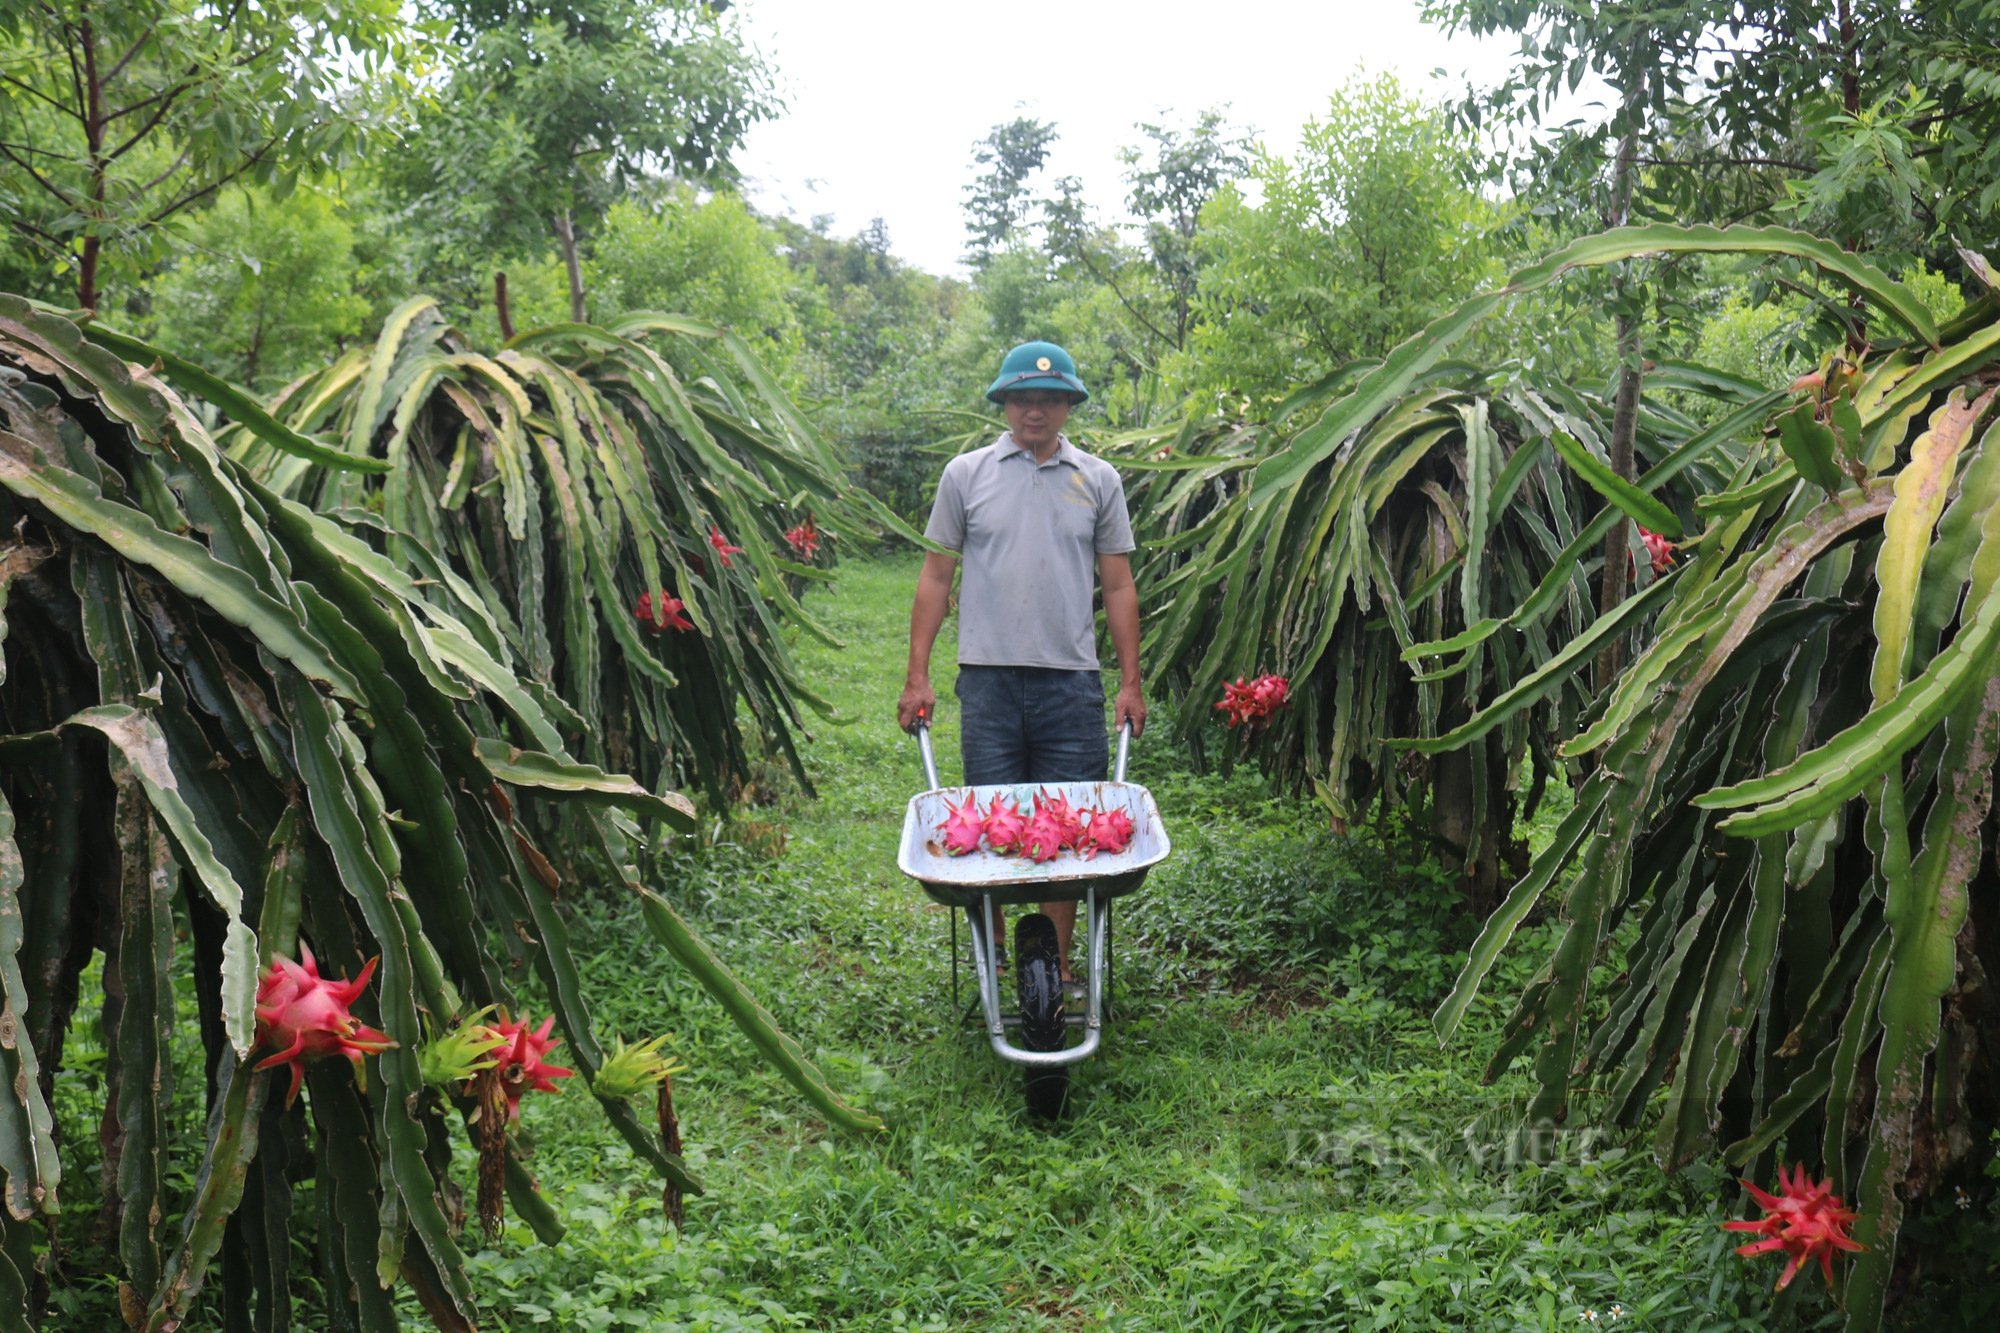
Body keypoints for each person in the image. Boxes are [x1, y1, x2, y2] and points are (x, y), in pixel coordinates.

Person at [898, 340, 1145, 998]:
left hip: (1071, 681)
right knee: (992, 824)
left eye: (1050, 398)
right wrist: (917, 674)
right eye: (1022, 398)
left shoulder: (1097, 479)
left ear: (1068, 405)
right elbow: (935, 574)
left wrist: (1130, 681)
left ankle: (1058, 961)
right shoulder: (966, 475)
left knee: (1066, 832)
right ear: (1004, 404)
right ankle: (1002, 948)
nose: (1035, 410)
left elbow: (1118, 586)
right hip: (989, 681)